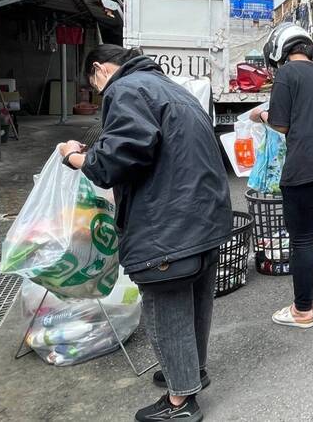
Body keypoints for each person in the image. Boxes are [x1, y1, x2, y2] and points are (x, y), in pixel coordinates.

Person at [58, 44, 233, 422]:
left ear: (100, 70)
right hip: (205, 216)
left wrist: (72, 156)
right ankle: (190, 373)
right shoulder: (171, 88)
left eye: (94, 83)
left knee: (166, 307)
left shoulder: (125, 89)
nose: (99, 92)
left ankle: (180, 403)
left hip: (168, 222)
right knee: (194, 301)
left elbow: (115, 160)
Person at [250, 23, 313, 328]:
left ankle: (302, 311)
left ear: (280, 49)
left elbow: (280, 125)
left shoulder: (287, 74)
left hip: (306, 166)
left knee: (303, 238)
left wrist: (261, 115)